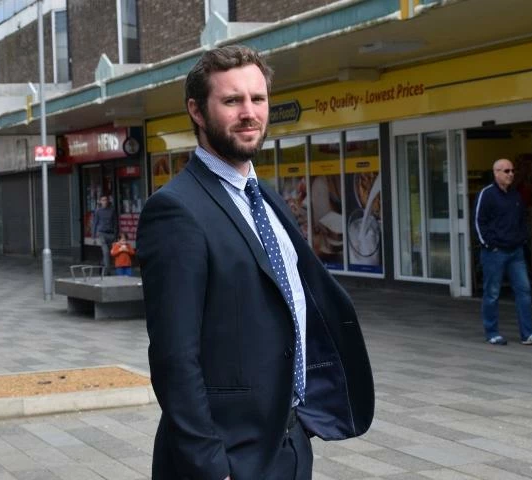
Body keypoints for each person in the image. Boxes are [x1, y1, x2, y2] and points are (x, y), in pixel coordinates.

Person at [137, 45, 374, 480]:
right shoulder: (174, 211)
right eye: (231, 101)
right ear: (196, 110)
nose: (249, 112)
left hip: (288, 442)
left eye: (258, 99)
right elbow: (174, 358)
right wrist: (211, 466)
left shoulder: (268, 200)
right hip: (227, 457)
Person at [473, 159, 532, 346]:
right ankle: (492, 332)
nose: (511, 174)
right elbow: (478, 221)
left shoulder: (515, 195)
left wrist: (522, 240)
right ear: (496, 172)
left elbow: (521, 219)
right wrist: (490, 245)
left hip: (515, 251)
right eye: (506, 171)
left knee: (523, 291)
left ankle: (528, 333)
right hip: (495, 252)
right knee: (492, 292)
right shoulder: (487, 194)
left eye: (512, 170)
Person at [91, 195, 116, 274]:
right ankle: (107, 271)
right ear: (100, 201)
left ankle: (102, 264)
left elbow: (115, 223)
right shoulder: (98, 211)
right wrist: (94, 237)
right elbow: (95, 223)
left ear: (108, 201)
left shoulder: (112, 210)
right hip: (102, 234)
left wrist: (116, 234)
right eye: (103, 200)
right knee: (105, 252)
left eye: (106, 200)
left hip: (111, 234)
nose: (104, 202)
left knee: (109, 253)